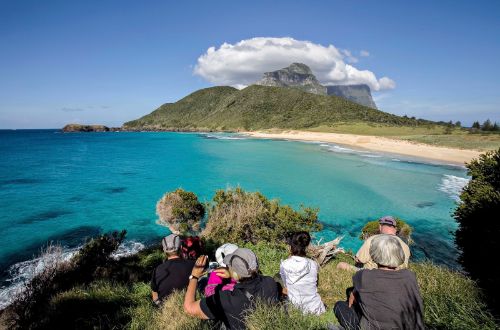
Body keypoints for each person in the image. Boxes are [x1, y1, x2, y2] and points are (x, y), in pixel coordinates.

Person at [334, 234, 425, 330]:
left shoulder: (363, 276)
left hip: (374, 327)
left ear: (374, 254)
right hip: (411, 326)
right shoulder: (410, 276)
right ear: (399, 254)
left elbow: (355, 296)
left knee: (340, 306)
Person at [184, 248, 280, 330]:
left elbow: (189, 308)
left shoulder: (226, 299)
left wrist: (194, 276)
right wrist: (233, 274)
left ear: (235, 273)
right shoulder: (270, 283)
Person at [337, 216, 411, 271]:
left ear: (380, 227)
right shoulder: (405, 245)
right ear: (395, 229)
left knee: (341, 264)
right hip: (398, 277)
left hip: (373, 275)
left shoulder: (373, 239)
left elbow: (359, 260)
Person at [280, 231, 325, 315]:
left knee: (278, 280)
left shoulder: (284, 264)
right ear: (306, 247)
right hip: (315, 309)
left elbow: (286, 285)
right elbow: (315, 285)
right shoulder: (313, 264)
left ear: (291, 247)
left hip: (295, 309)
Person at [151, 234, 195, 305]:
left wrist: (159, 306)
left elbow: (154, 292)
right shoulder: (193, 265)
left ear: (164, 250)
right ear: (181, 247)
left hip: (164, 309)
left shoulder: (157, 269)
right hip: (189, 306)